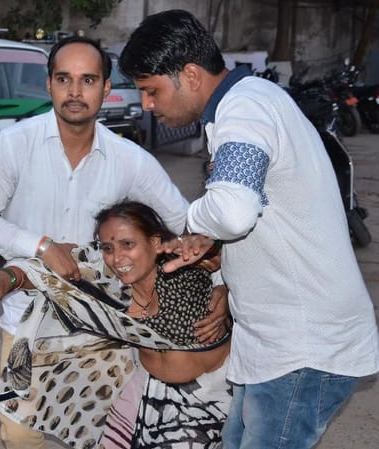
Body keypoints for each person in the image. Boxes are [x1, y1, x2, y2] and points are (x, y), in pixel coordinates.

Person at [118, 9, 379, 449]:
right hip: (273, 345)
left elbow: (234, 210)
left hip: (301, 348)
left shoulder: (245, 109)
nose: (147, 105)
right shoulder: (243, 105)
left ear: (190, 75)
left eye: (151, 90)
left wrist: (193, 224)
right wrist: (218, 261)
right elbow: (253, 214)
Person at [0, 34, 228, 449]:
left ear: (106, 88)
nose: (74, 91)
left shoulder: (131, 161)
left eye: (87, 80)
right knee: (20, 432)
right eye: (64, 79)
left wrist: (221, 284)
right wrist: (41, 246)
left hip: (107, 324)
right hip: (29, 319)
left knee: (105, 431)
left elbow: (189, 226)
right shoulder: (13, 145)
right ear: (48, 84)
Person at [0, 200, 232, 449]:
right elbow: (51, 270)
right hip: (146, 388)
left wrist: (226, 288)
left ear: (154, 242)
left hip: (206, 399)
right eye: (108, 248)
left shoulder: (183, 271)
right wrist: (9, 279)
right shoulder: (110, 276)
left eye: (128, 244)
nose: (117, 258)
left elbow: (233, 256)